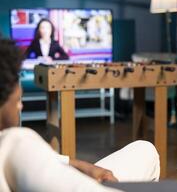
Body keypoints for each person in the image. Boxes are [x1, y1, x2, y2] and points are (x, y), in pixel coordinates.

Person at [0, 39, 160, 191]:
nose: (20, 106)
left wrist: (84, 166)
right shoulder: (16, 141)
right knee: (146, 150)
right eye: (16, 101)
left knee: (144, 148)